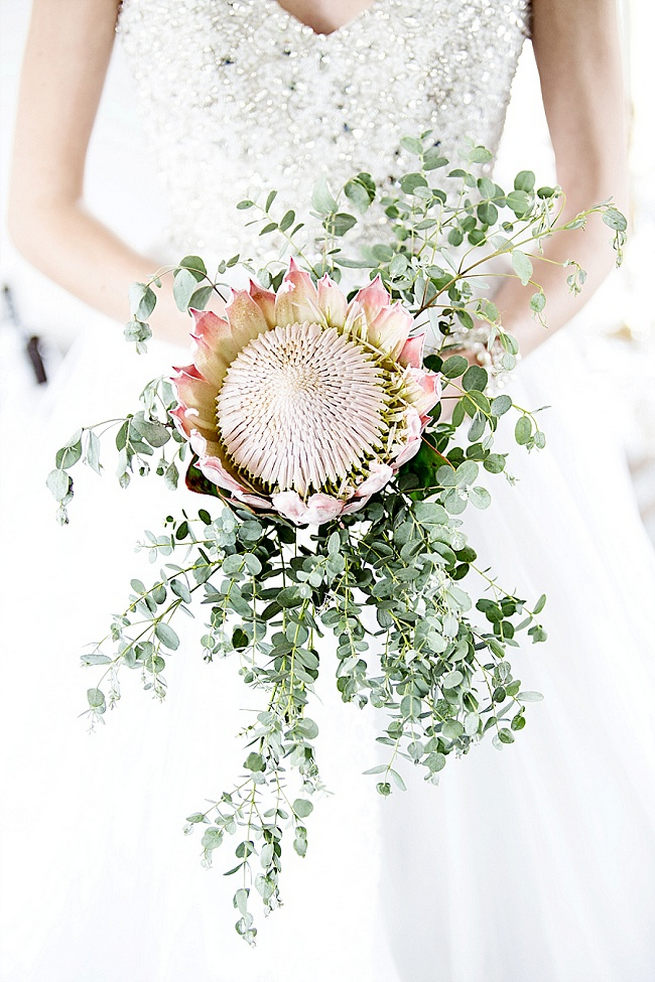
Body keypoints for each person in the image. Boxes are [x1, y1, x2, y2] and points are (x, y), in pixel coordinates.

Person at [2, 1, 654, 980]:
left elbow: (598, 199)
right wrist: (238, 356)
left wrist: (447, 372)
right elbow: (38, 205)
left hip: (453, 394)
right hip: (200, 392)